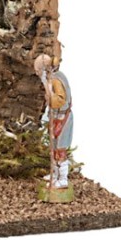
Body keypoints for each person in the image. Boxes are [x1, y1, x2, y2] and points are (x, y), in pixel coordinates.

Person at [34, 53, 73, 189]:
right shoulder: (52, 79)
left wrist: (48, 88)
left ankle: (63, 179)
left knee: (60, 150)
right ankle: (55, 175)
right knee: (53, 148)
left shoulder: (56, 80)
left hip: (62, 119)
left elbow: (58, 101)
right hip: (56, 118)